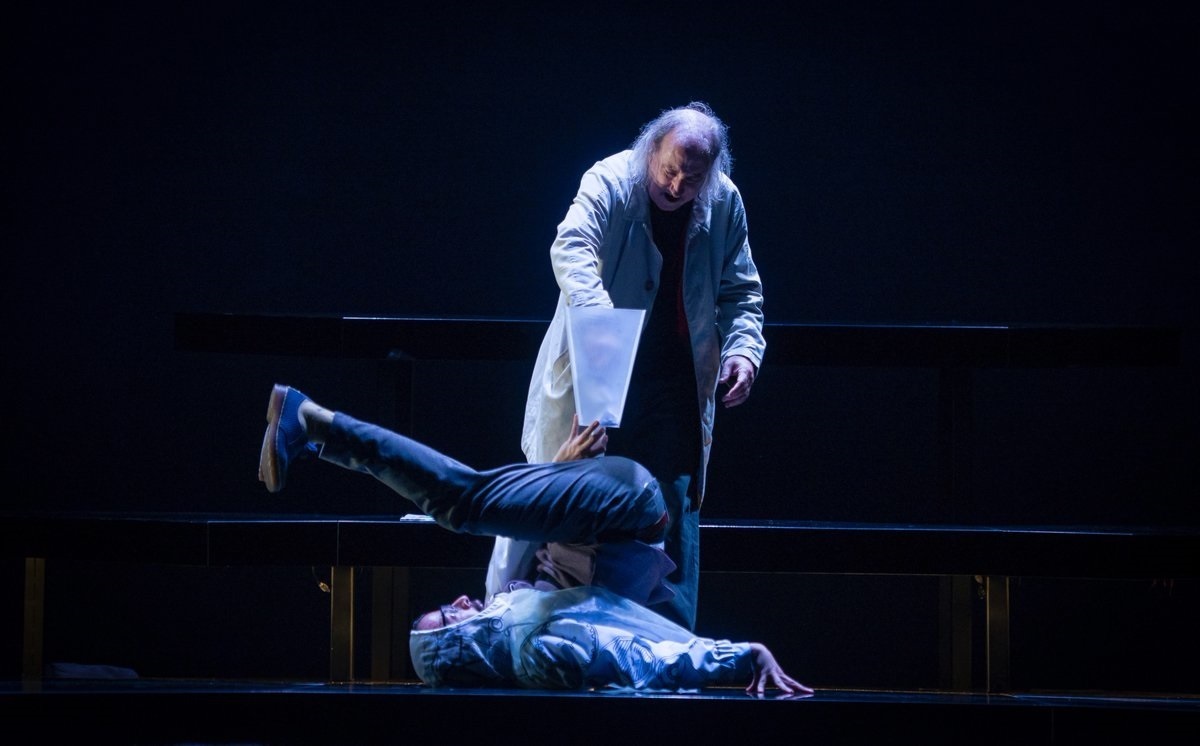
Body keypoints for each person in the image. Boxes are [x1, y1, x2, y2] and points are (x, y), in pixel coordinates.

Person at [259, 383, 810, 695]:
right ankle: (312, 422)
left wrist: (561, 473)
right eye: (448, 619)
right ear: (459, 652)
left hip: (593, 504)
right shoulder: (536, 648)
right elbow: (639, 656)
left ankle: (315, 428)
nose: (458, 601)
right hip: (626, 513)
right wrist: (742, 656)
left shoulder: (504, 605)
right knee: (463, 503)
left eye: (445, 607)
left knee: (467, 505)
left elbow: (520, 525)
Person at [495, 101, 767, 630]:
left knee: (670, 515)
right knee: (580, 515)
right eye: (669, 170)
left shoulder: (725, 203)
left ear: (712, 173)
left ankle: (668, 649)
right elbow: (571, 245)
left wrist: (743, 350)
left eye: (692, 178)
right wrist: (599, 322)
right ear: (651, 150)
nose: (676, 186)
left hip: (674, 389)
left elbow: (742, 293)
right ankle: (575, 642)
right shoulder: (609, 180)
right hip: (601, 379)